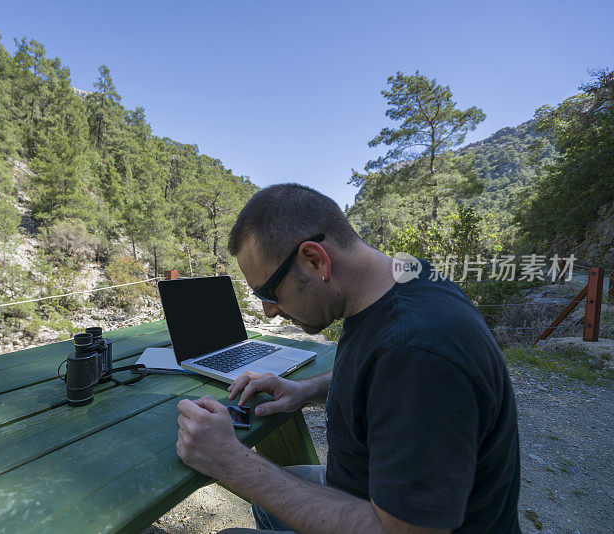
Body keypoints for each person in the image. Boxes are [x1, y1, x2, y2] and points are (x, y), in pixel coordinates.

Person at [175, 183, 521, 533]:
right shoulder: (402, 280)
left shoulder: (415, 353)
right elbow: (379, 381)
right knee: (267, 506)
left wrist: (231, 460)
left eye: (269, 292)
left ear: (316, 260)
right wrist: (304, 390)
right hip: (368, 490)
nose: (268, 311)